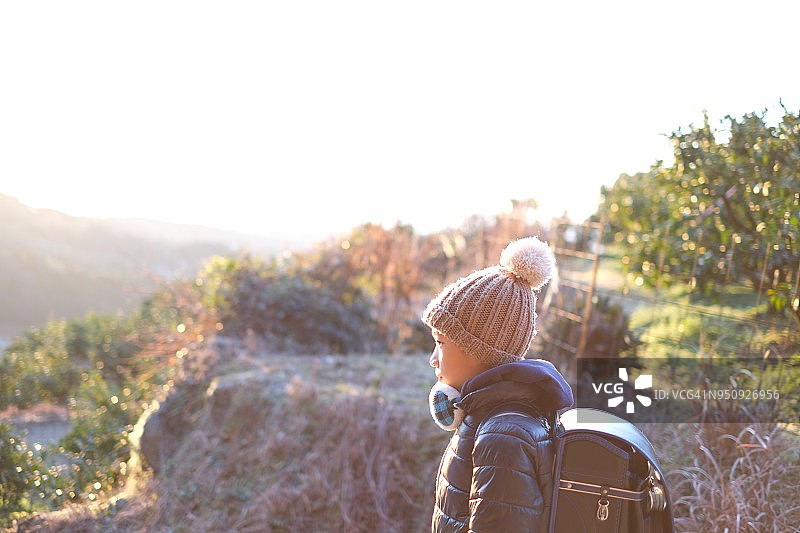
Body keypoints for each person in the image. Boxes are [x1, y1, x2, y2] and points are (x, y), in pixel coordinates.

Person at [421, 236, 574, 533]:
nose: (433, 359)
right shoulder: (490, 420)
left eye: (441, 343)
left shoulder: (502, 438)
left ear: (479, 350)